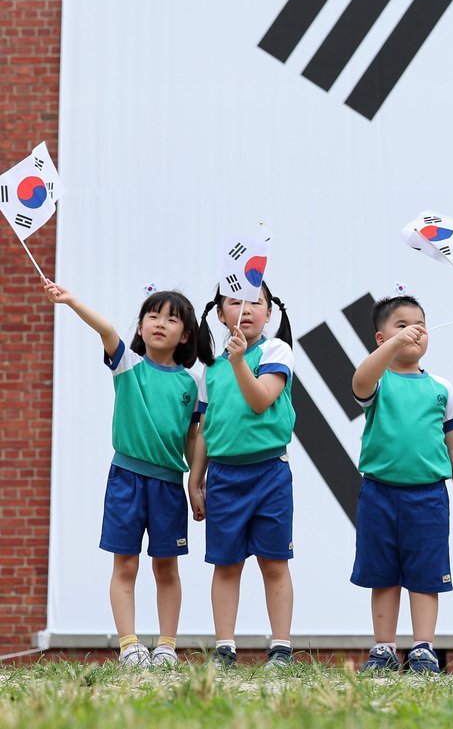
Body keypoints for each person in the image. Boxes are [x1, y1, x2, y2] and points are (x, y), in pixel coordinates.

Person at [46, 282, 202, 667]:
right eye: (152, 315)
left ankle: (166, 646)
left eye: (171, 318)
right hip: (125, 480)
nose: (160, 323)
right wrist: (72, 300)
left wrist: (196, 483)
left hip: (169, 485)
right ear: (141, 325)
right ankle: (130, 645)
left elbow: (193, 438)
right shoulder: (127, 364)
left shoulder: (194, 381)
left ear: (185, 336)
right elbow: (106, 331)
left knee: (167, 567)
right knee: (126, 565)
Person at [351, 295, 453, 674]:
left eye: (419, 324)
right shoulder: (378, 381)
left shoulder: (441, 388)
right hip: (379, 494)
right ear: (380, 337)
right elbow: (359, 381)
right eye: (400, 325)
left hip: (428, 496)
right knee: (382, 575)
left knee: (425, 576)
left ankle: (423, 648)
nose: (412, 332)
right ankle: (383, 648)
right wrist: (393, 348)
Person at [189, 284, 296, 668]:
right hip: (223, 476)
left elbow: (260, 400)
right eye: (235, 302)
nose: (246, 309)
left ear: (269, 313)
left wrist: (238, 362)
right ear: (219, 314)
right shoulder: (211, 369)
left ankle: (281, 648)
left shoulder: (275, 351)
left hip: (270, 473)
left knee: (274, 562)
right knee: (226, 563)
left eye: (256, 303)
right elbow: (203, 427)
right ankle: (224, 648)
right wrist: (195, 479)